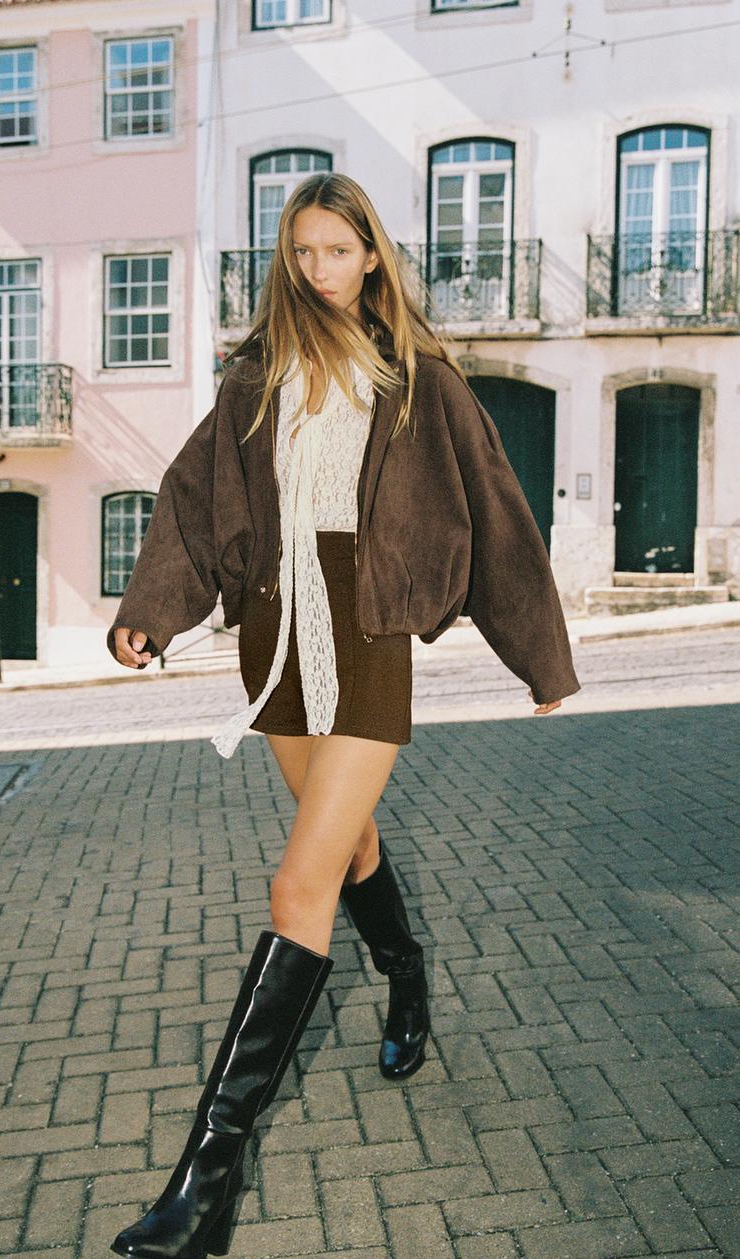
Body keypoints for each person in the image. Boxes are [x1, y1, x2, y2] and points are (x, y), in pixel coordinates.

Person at [105, 172, 581, 1258]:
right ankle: (406, 976)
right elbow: (192, 498)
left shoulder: (419, 380)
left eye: (337, 250)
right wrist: (152, 614)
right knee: (349, 840)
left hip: (365, 638)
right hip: (273, 635)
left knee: (297, 878)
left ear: (372, 255)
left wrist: (538, 658)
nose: (318, 269)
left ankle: (204, 1183)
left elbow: (496, 514)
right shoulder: (256, 372)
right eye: (302, 251)